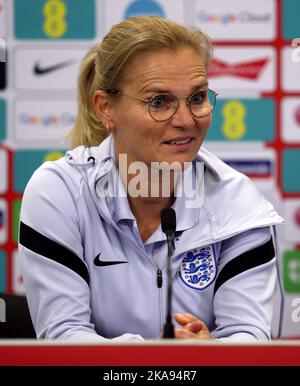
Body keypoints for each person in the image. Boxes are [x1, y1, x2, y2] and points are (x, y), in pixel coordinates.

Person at [19, 16, 283, 341]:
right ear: (106, 109)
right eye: (159, 102)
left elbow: (250, 338)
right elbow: (63, 336)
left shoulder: (239, 202)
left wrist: (211, 352)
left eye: (198, 97)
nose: (186, 120)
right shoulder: (59, 192)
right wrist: (155, 361)